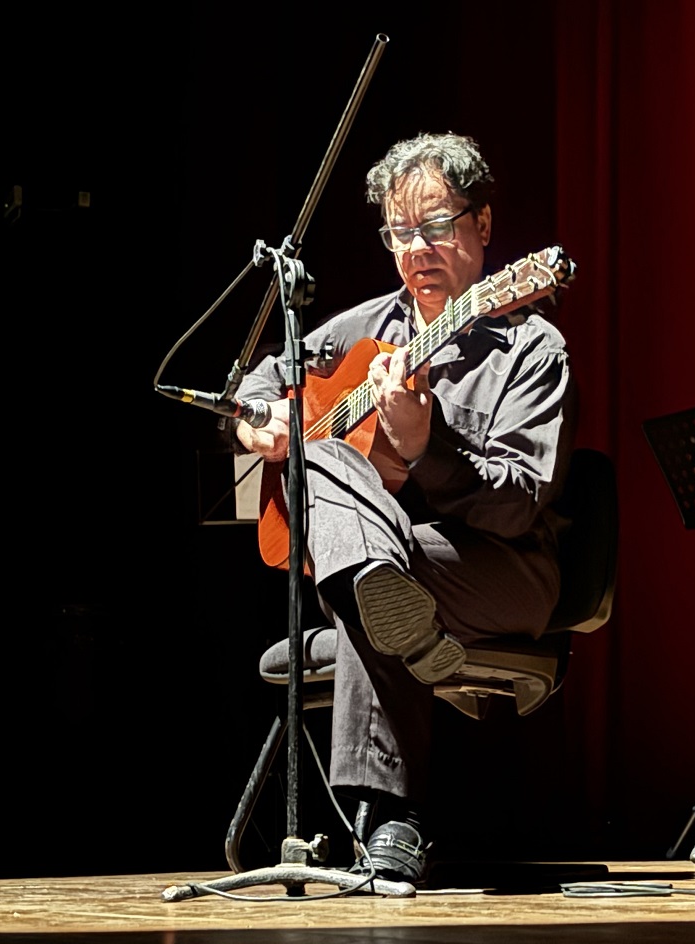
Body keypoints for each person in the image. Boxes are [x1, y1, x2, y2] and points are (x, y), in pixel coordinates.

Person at [228, 131, 577, 885]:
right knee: (328, 470)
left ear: (483, 225)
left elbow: (518, 508)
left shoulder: (533, 350)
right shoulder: (364, 329)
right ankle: (391, 824)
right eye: (399, 233)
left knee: (366, 579)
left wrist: (426, 450)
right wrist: (260, 421)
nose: (417, 249)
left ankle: (390, 804)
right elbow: (257, 381)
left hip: (500, 570)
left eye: (437, 226)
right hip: (393, 564)